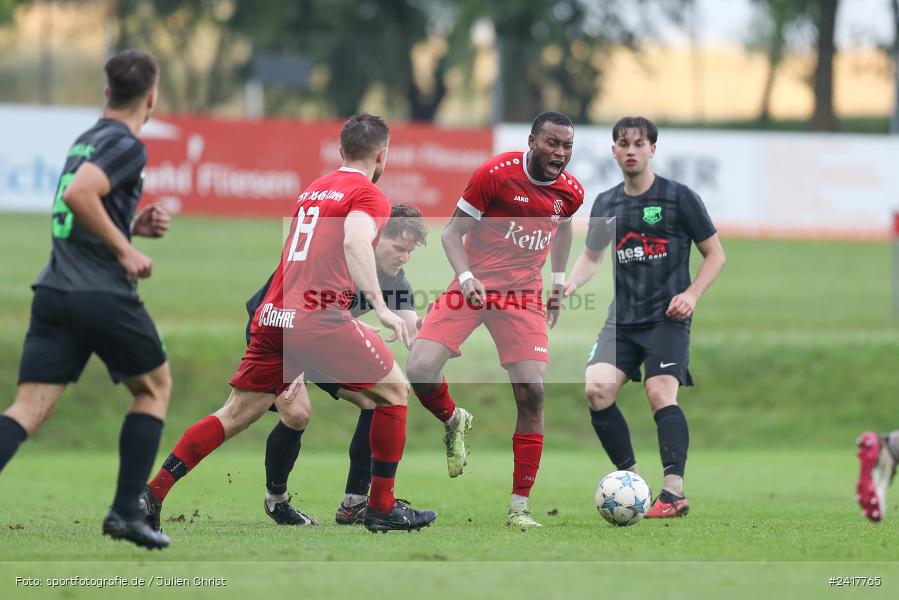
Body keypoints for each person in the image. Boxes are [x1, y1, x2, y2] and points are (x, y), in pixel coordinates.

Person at [140, 113, 437, 534]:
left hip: (275, 315)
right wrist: (380, 307)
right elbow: (355, 240)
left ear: (340, 151)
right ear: (383, 154)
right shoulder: (370, 195)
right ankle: (381, 507)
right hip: (318, 318)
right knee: (393, 391)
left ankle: (152, 492)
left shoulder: (312, 191)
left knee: (234, 414)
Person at [0, 50, 173, 549]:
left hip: (54, 291)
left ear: (106, 92)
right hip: (98, 293)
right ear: (151, 97)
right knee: (155, 388)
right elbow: (80, 196)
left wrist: (129, 225)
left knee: (27, 408)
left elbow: (79, 206)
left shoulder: (86, 139)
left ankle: (125, 514)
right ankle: (125, 514)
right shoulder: (125, 143)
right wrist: (126, 248)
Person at [406, 111, 584, 529]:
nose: (560, 152)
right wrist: (466, 278)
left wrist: (558, 281)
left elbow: (564, 229)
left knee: (532, 392)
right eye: (552, 143)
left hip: (522, 296)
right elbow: (452, 233)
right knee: (419, 367)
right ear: (532, 141)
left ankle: (520, 507)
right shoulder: (496, 174)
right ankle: (454, 420)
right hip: (474, 285)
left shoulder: (571, 191)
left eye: (567, 146)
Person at [563, 116, 726, 518]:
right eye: (623, 143)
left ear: (653, 148)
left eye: (639, 143)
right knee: (596, 390)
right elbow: (591, 257)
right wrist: (567, 286)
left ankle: (673, 492)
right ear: (614, 150)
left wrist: (691, 294)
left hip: (667, 319)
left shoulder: (679, 197)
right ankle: (633, 484)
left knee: (659, 393)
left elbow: (716, 255)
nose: (631, 150)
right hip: (622, 320)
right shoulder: (607, 202)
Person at [242, 203, 427, 526]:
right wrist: (294, 365)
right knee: (297, 414)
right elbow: (268, 310)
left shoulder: (396, 280)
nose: (404, 257)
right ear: (375, 239)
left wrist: (435, 335)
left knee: (376, 399)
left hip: (321, 343)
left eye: (410, 252)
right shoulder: (327, 262)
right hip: (276, 334)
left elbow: (411, 327)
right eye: (399, 248)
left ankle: (354, 503)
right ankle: (277, 501)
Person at [856, 430, 898, 522]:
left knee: (880, 484)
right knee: (880, 484)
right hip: (887, 450)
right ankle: (876, 508)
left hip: (886, 450)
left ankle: (877, 509)